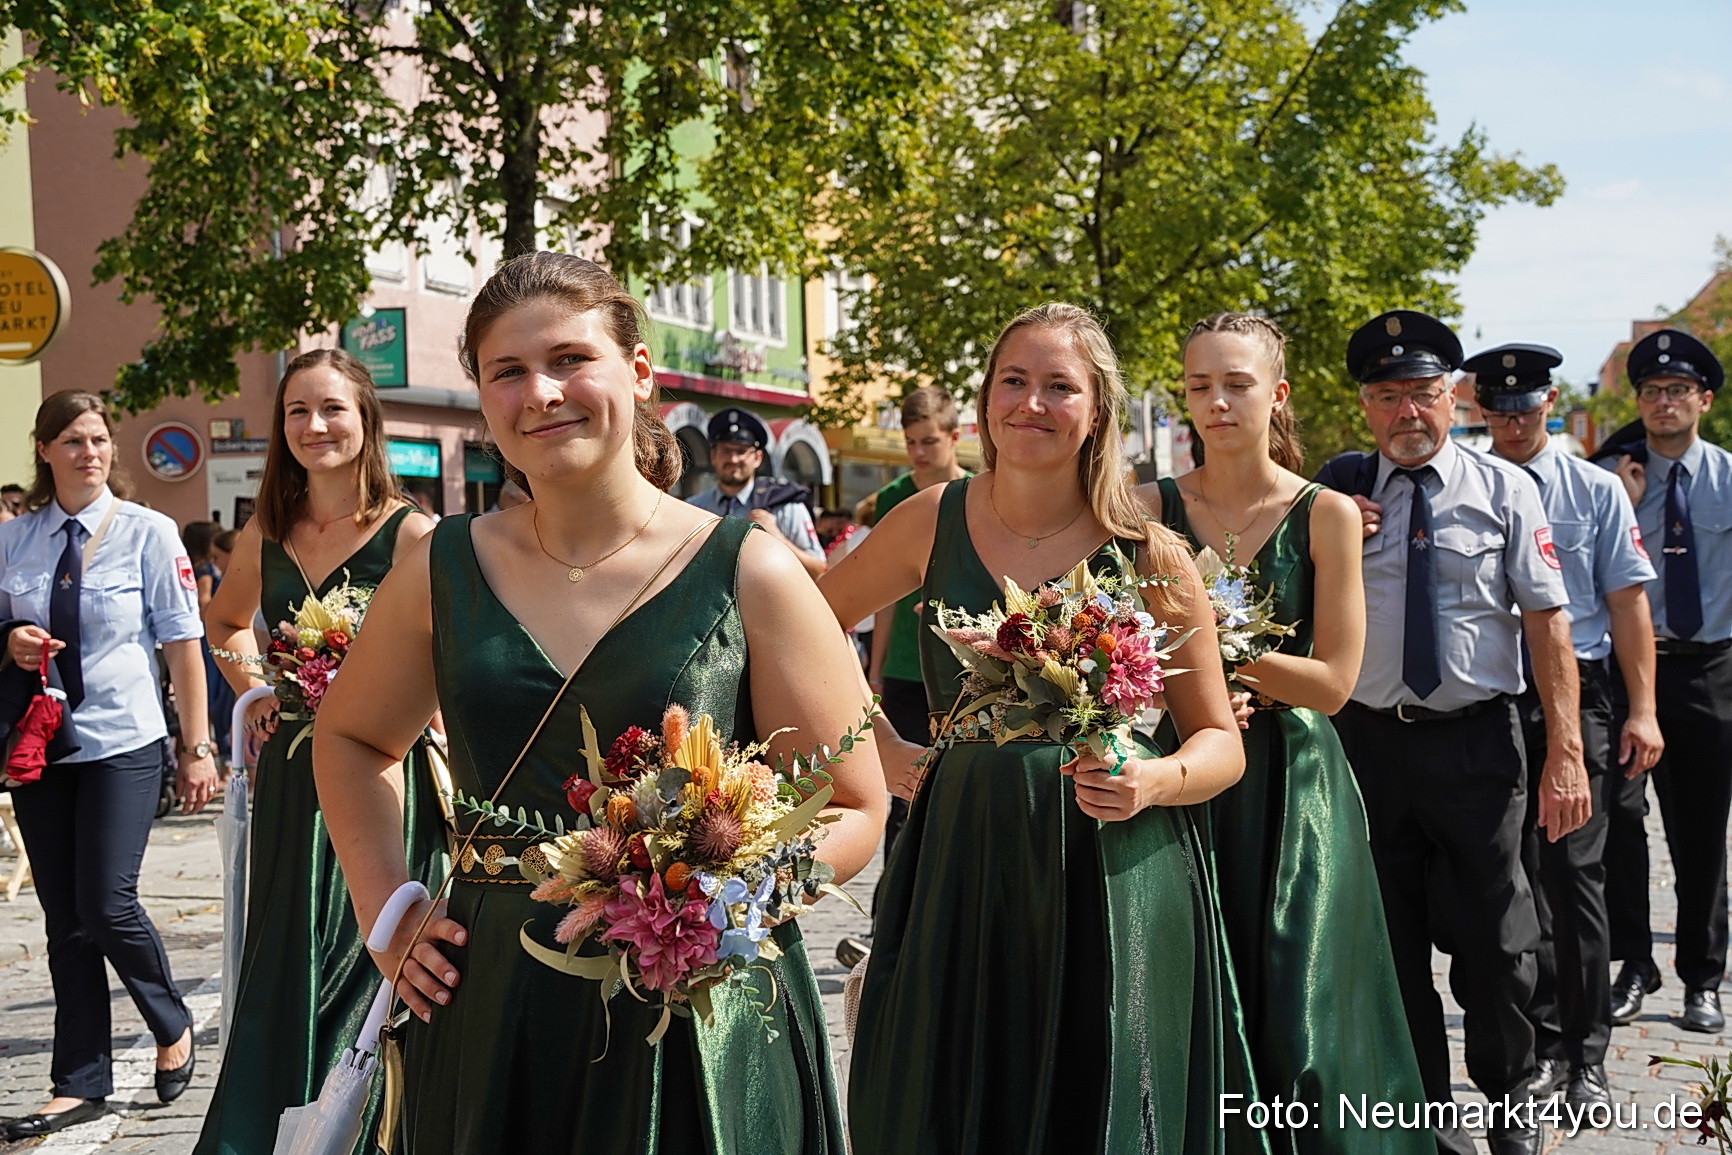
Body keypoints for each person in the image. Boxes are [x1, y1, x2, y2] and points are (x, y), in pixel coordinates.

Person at [312, 252, 882, 1153]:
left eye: (572, 359)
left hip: (699, 1006)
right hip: (494, 995)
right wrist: (386, 912)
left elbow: (856, 799)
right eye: (508, 371)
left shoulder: (749, 567)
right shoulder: (438, 566)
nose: (542, 392)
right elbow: (348, 737)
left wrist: (724, 899)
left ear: (640, 372)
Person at [824, 303, 1255, 1154]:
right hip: (961, 854)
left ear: (1097, 410)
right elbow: (802, 628)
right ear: (984, 401)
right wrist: (884, 751)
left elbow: (1220, 741)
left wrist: (1155, 780)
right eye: (1013, 381)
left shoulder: (1152, 554)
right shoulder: (929, 518)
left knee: (1089, 1098)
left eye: (1060, 386)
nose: (1031, 403)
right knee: (947, 1089)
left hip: (1111, 864)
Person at [1143, 313, 1429, 1154]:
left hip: (1293, 790)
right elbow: (1123, 650)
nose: (1218, 402)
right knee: (1186, 986)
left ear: (1278, 392)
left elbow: (1336, 681)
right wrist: (1189, 690)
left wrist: (1218, 667)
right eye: (1199, 386)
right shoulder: (1144, 509)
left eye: (1237, 383)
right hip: (1185, 773)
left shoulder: (1329, 512)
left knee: (1301, 1001)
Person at [1314, 310, 1588, 1155]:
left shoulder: (1507, 488)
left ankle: (1511, 1101)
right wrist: (1328, 532)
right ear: (1365, 404)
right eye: (1388, 395)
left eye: (1424, 394)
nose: (1408, 413)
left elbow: (1548, 625)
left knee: (1498, 945)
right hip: (1370, 745)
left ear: (1452, 396)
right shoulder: (1337, 492)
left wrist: (1566, 755)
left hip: (1477, 745)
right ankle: (1422, 1113)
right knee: (1389, 946)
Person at [195, 349, 447, 1155]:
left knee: (366, 946)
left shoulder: (415, 533)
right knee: (289, 954)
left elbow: (450, 649)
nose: (314, 426)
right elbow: (227, 621)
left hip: (384, 769)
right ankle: (277, 1125)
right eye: (297, 411)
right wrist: (259, 682)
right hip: (296, 779)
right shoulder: (267, 530)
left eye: (332, 408)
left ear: (365, 417)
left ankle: (376, 1124)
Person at [0, 391, 216, 1139]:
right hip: (43, 746)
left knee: (106, 899)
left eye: (97, 439)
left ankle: (170, 1017)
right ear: (45, 450)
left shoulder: (149, 533)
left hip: (123, 740)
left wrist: (197, 746)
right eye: (71, 439)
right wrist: (12, 643)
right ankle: (78, 1079)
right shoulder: (15, 538)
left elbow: (182, 642)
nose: (87, 451)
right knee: (63, 920)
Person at [1465, 344, 1662, 1106]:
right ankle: (1541, 1040)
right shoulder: (1468, 487)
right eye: (1499, 408)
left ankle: (1587, 1054)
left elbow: (1627, 603)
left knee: (1575, 875)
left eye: (1527, 405)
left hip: (1578, 701)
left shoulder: (1594, 491)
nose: (1514, 420)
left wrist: (1642, 709)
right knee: (1515, 884)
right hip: (1497, 704)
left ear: (1551, 402)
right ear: (1482, 410)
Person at [1596, 329, 1732, 1033]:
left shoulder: (1728, 477)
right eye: (1652, 391)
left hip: (1709, 669)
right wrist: (1618, 500)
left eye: (1678, 390)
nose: (1664, 401)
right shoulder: (1609, 476)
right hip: (1626, 673)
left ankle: (1703, 977)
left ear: (1703, 400)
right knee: (1618, 817)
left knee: (1702, 829)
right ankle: (1632, 964)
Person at [837, 386, 972, 967]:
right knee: (902, 793)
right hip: (902, 672)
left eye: (928, 442)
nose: (918, 453)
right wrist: (870, 670)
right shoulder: (896, 497)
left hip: (962, 670)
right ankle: (890, 919)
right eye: (910, 442)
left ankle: (948, 916)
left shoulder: (974, 498)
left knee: (955, 790)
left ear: (953, 438)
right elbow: (883, 598)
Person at [686, 407, 827, 577]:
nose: (733, 459)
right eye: (725, 451)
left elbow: (818, 570)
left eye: (741, 451)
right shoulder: (693, 508)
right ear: (713, 456)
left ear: (757, 458)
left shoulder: (784, 507)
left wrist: (778, 539)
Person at [181, 520, 236, 764]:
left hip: (206, 638)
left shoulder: (197, 569)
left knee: (216, 695)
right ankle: (221, 751)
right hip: (209, 638)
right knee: (217, 695)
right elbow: (204, 607)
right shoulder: (205, 572)